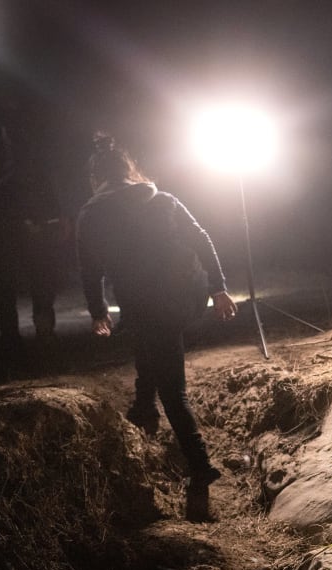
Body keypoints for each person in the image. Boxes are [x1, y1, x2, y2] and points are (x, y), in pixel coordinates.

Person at [76, 134, 238, 522]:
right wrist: (218, 289)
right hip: (185, 296)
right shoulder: (162, 198)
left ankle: (200, 465)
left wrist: (98, 311)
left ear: (97, 177)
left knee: (173, 387)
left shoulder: (92, 214)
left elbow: (90, 268)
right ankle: (143, 406)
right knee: (150, 343)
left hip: (147, 304)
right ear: (129, 171)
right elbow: (202, 239)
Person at [0, 80, 65, 358]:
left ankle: (29, 335)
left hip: (19, 215)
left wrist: (54, 211)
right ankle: (23, 337)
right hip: (8, 215)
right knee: (19, 279)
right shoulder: (4, 135)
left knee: (30, 277)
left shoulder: (21, 135)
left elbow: (42, 172)